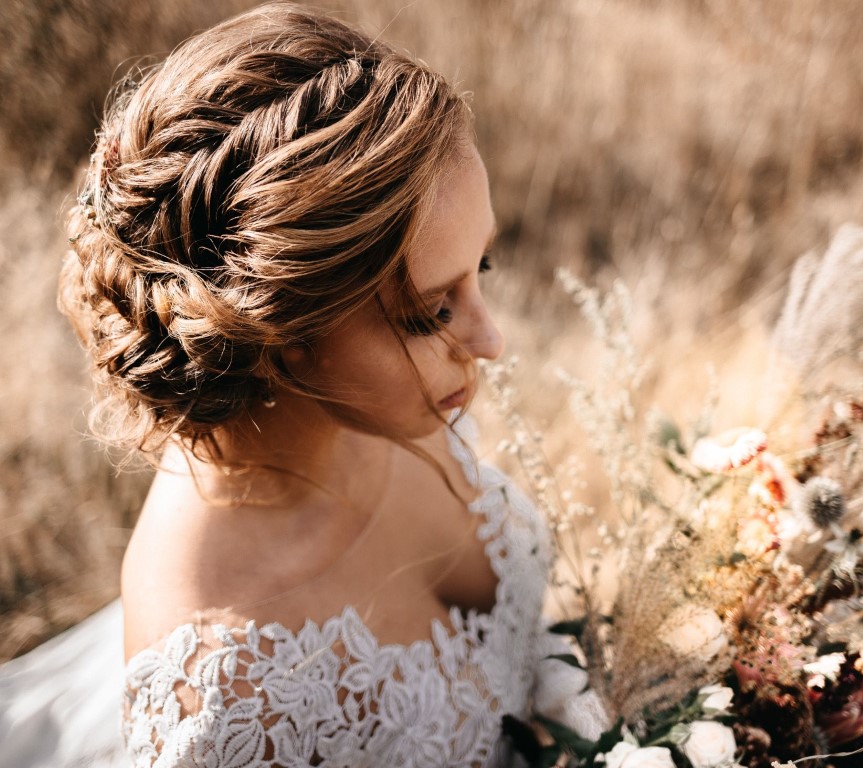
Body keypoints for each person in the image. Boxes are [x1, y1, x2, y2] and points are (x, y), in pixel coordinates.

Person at [11, 3, 553, 766]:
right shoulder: (223, 697)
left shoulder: (390, 407)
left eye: (481, 270)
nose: (489, 341)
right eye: (432, 311)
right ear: (281, 331)